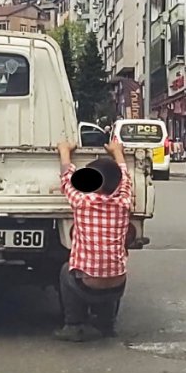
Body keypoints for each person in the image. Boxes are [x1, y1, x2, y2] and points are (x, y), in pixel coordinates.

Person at [55, 140, 132, 342]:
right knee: (108, 270)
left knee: (66, 270)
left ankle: (74, 324)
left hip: (87, 286)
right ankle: (106, 324)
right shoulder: (124, 202)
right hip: (118, 284)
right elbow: (125, 179)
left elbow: (66, 179)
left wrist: (64, 152)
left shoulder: (82, 202)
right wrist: (118, 153)